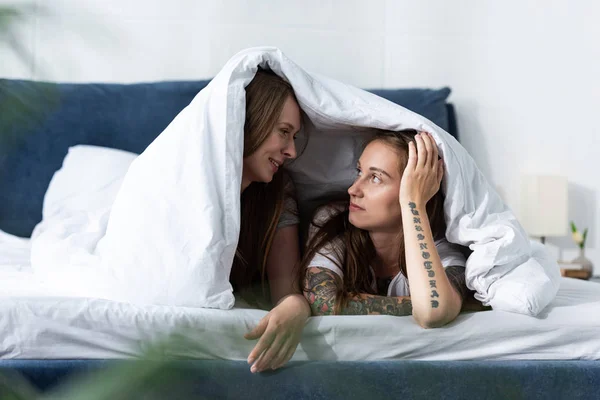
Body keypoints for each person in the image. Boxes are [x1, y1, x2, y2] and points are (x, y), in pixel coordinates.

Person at [299, 129, 482, 328]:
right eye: (359, 172)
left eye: (376, 178)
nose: (353, 189)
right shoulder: (332, 219)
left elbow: (432, 313)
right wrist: (423, 305)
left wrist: (414, 204)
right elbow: (322, 303)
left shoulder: (444, 254)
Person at [234, 69, 311, 373]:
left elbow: (286, 292)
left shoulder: (277, 192)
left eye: (294, 137)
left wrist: (297, 305)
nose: (291, 151)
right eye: (283, 131)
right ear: (250, 122)